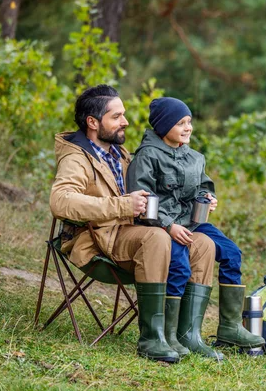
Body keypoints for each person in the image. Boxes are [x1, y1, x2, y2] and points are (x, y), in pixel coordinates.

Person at [49, 85, 216, 363]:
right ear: (93, 122)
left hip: (130, 234)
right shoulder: (76, 157)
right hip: (97, 241)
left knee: (203, 244)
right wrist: (123, 205)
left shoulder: (121, 154)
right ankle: (152, 338)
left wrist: (200, 197)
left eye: (123, 115)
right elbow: (61, 201)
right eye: (116, 117)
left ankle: (185, 334)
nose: (125, 121)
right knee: (157, 238)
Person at [126, 97, 265, 356]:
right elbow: (142, 200)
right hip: (161, 226)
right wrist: (168, 227)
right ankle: (170, 336)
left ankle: (229, 327)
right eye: (180, 123)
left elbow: (202, 186)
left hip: (192, 221)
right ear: (163, 125)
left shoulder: (195, 158)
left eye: (189, 122)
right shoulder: (147, 156)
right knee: (180, 267)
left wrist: (208, 199)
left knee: (232, 253)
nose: (188, 127)